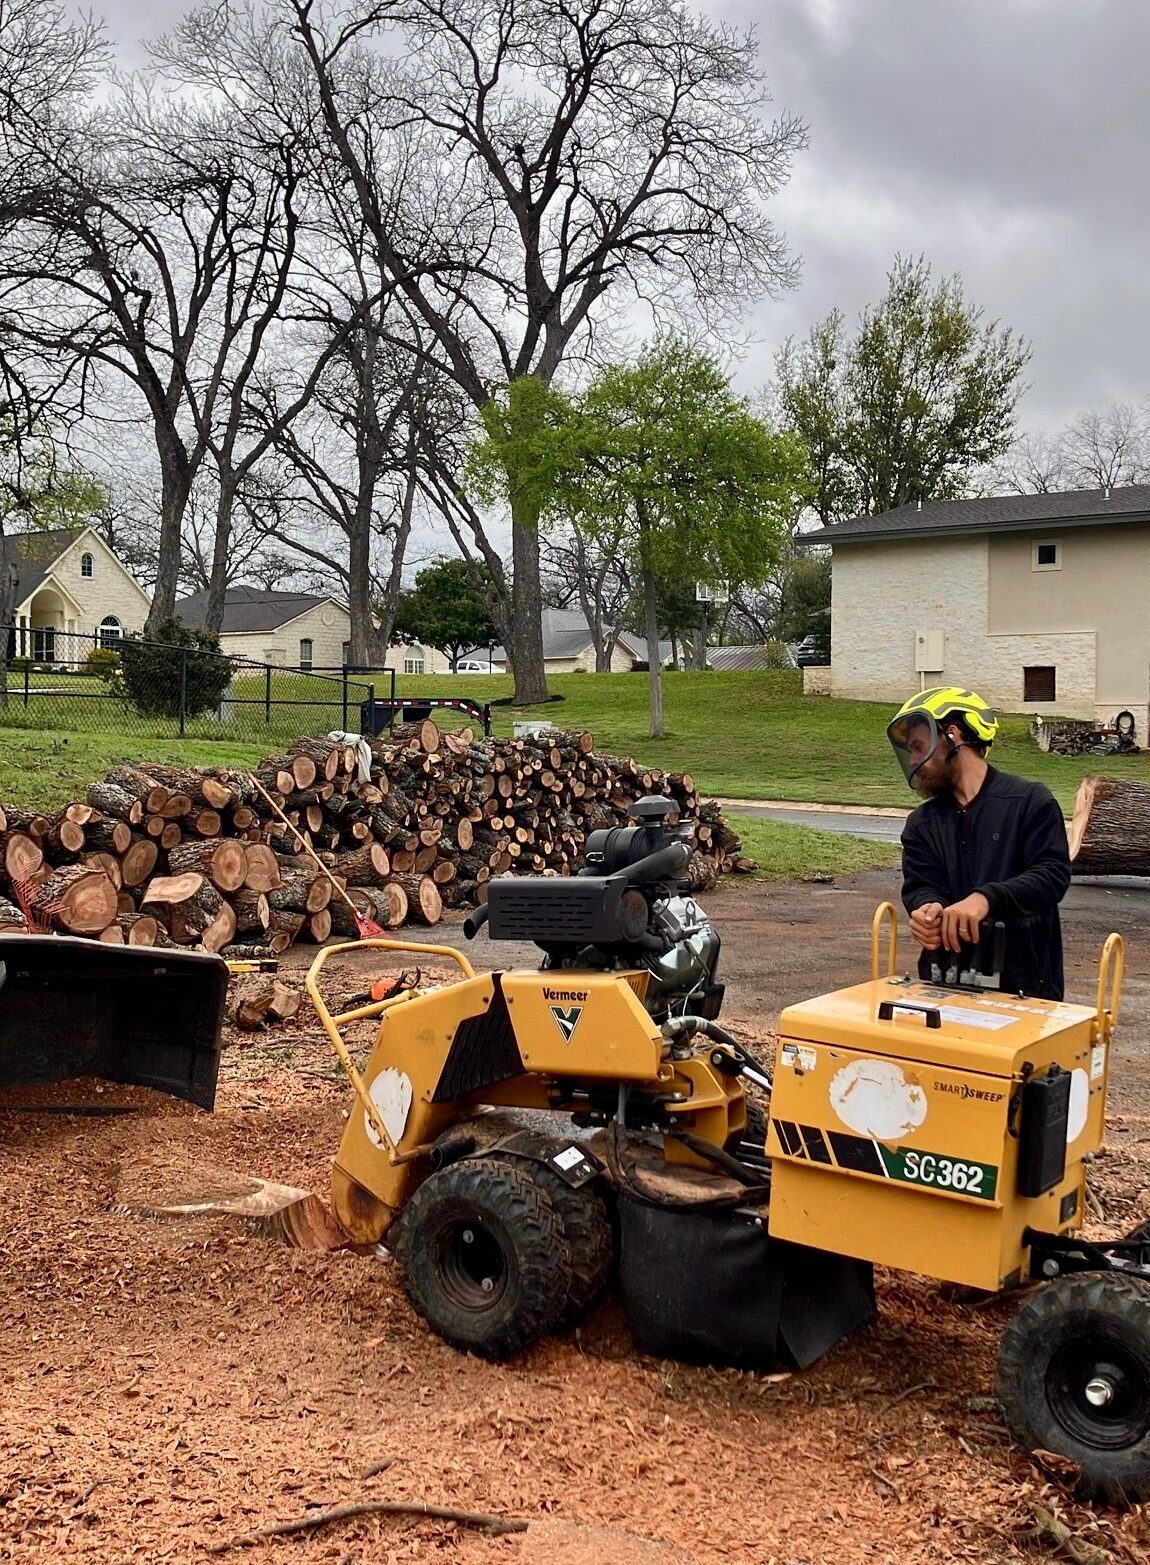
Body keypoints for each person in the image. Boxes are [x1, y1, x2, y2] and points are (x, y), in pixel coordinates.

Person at [886, 686, 1071, 1000]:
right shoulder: (921, 823)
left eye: (918, 747)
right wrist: (926, 909)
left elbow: (1052, 875)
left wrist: (985, 899)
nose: (914, 760)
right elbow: (921, 886)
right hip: (943, 987)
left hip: (1027, 990)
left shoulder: (1030, 801)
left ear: (952, 735)